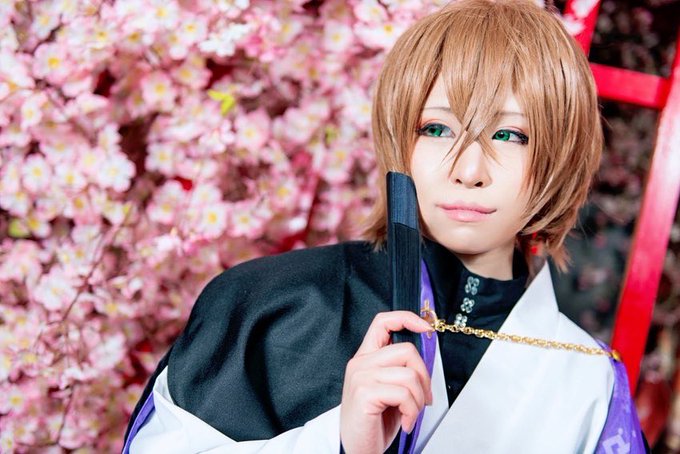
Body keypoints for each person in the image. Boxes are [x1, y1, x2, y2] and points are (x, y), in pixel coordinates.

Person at [124, 0, 647, 452]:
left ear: (560, 156)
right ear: (400, 137)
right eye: (436, 128)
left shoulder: (590, 384)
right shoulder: (273, 306)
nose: (469, 170)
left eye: (511, 135)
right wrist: (340, 443)